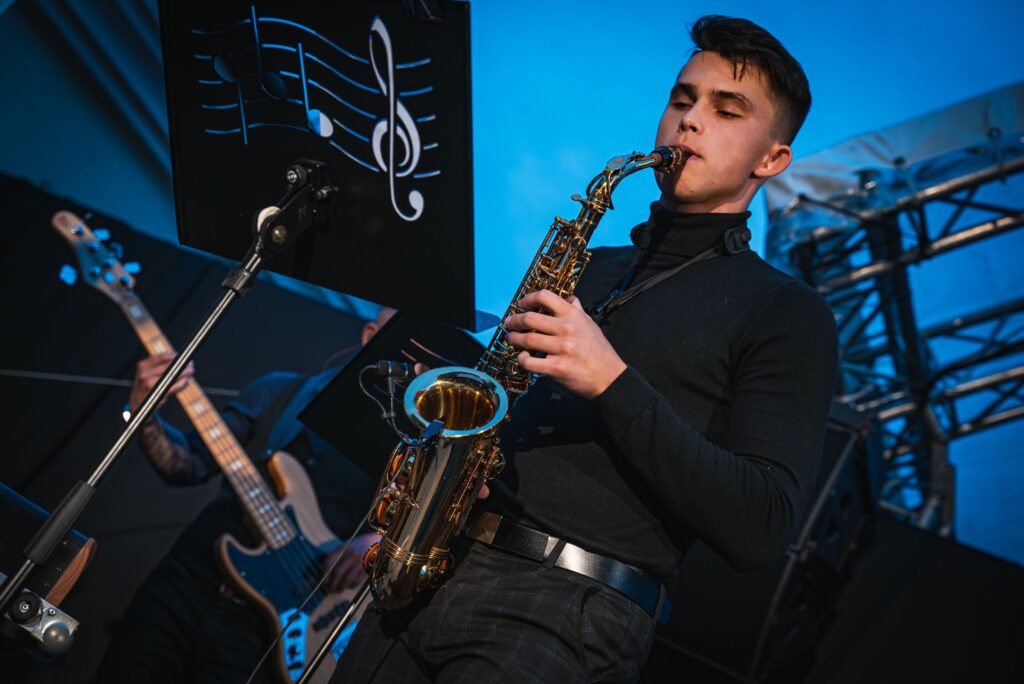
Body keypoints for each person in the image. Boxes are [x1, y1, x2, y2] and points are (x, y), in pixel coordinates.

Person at [334, 15, 838, 684]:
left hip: (564, 612)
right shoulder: (593, 265)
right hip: (433, 567)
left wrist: (611, 382)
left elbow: (761, 526)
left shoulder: (787, 311)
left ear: (771, 160)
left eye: (726, 109)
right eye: (682, 99)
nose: (689, 121)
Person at [93, 308, 396, 683]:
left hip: (272, 632)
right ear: (370, 335)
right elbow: (186, 466)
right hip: (188, 584)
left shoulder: (409, 451)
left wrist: (381, 543)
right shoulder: (281, 392)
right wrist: (142, 414)